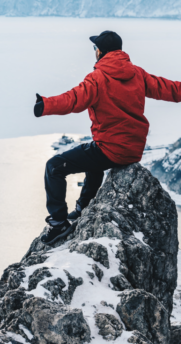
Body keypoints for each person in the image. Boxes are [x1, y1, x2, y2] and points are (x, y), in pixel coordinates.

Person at [34, 30, 181, 245]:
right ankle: (83, 208)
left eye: (95, 48)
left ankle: (58, 224)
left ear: (100, 51)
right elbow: (169, 89)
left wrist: (45, 105)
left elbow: (73, 100)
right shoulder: (137, 74)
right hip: (133, 148)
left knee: (54, 167)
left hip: (111, 149)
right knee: (93, 155)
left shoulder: (97, 78)